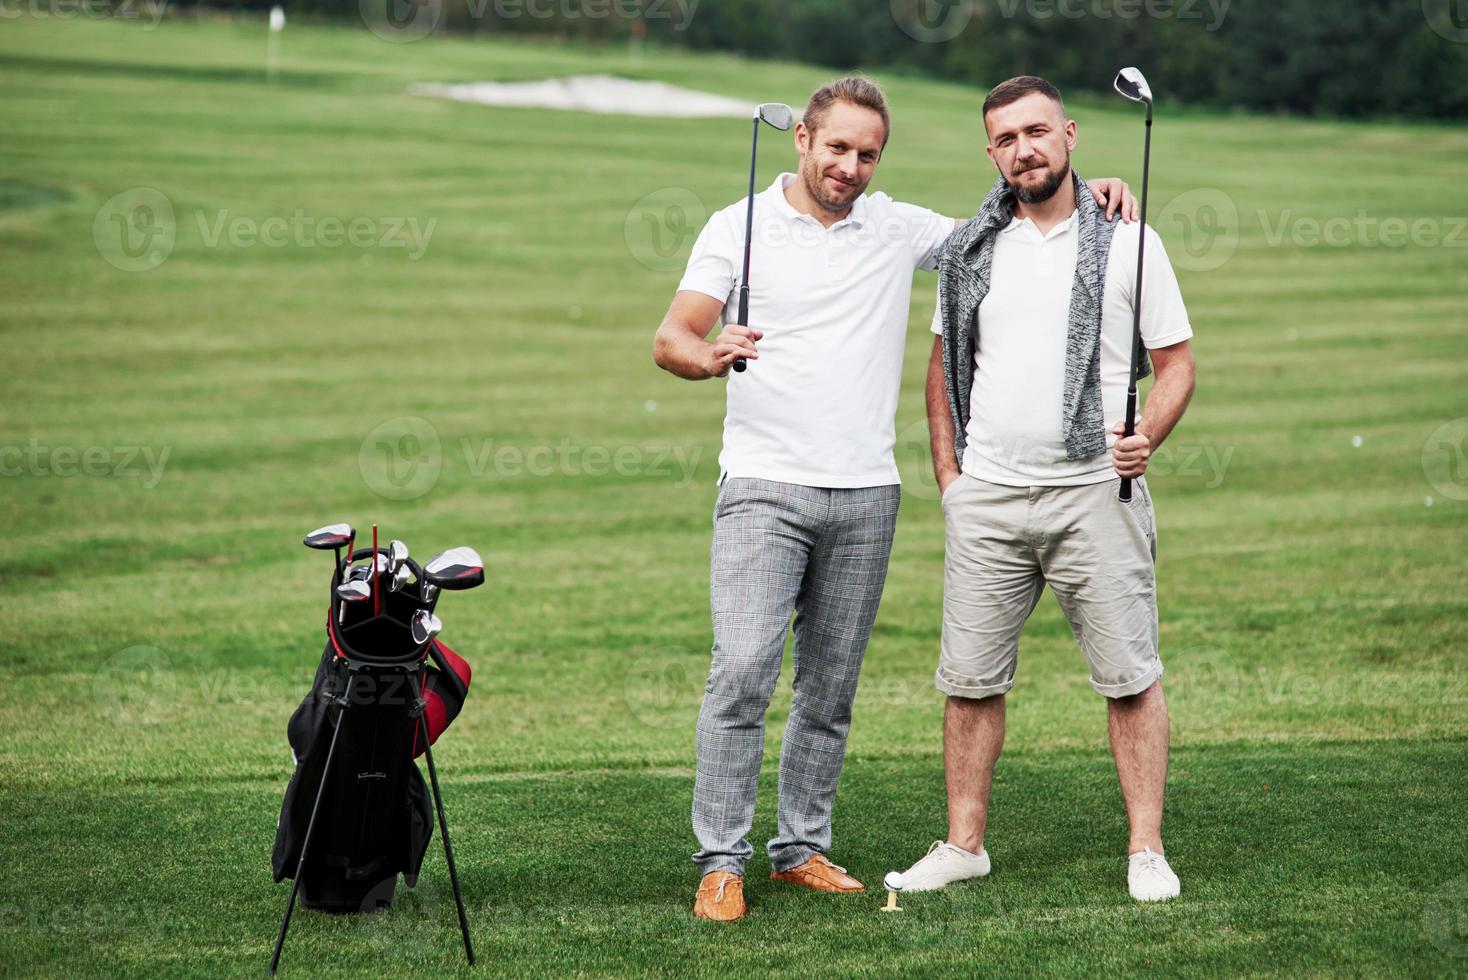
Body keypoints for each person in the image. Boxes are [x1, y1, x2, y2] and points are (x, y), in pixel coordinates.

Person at [652, 75, 1138, 922]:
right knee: (740, 675)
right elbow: (672, 337)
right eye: (836, 147)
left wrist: (1092, 192)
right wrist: (711, 353)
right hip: (763, 485)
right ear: (802, 138)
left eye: (867, 154)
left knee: (829, 691)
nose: (849, 167)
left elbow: (1009, 225)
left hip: (868, 492)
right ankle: (721, 861)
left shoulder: (896, 225)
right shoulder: (740, 226)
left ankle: (799, 848)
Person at [896, 76, 1196, 903]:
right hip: (988, 496)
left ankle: (1145, 849)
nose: (1023, 149)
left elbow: (1174, 365)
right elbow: (942, 365)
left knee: (1130, 677)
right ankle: (964, 844)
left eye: (1036, 131)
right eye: (1005, 139)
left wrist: (1146, 437)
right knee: (969, 681)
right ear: (990, 153)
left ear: (1069, 134)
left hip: (1096, 493)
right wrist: (950, 477)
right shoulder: (971, 248)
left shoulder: (1133, 241)